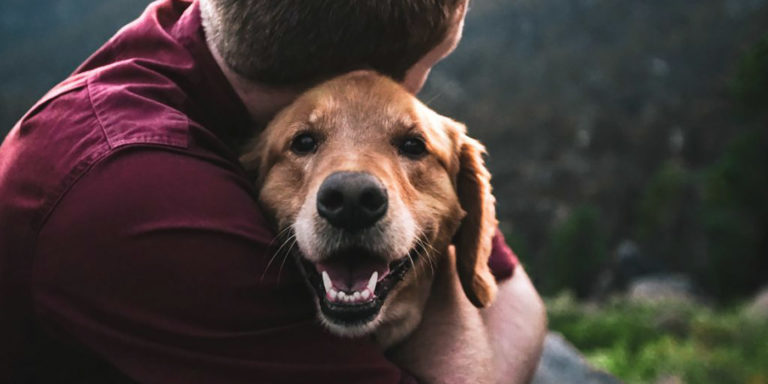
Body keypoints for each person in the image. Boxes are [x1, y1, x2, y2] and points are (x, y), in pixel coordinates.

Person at [0, 0, 547, 382]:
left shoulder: (243, 24)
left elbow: (515, 294)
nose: (356, 181)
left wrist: (442, 250)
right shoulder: (142, 196)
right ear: (359, 70)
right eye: (431, 65)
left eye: (407, 142)